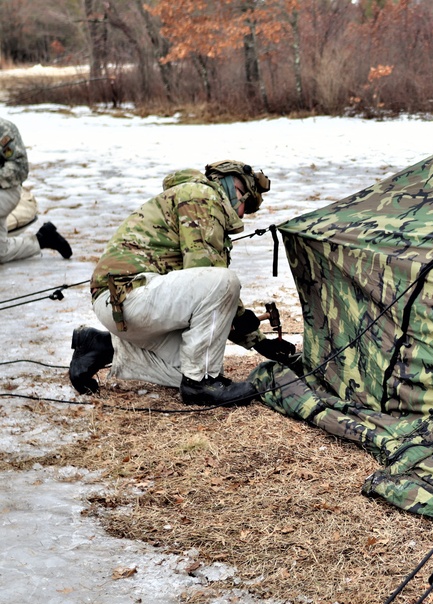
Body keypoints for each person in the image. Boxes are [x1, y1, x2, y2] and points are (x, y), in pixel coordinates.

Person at [69, 160, 299, 407]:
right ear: (233, 184)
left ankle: (101, 346)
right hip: (129, 295)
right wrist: (243, 321)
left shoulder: (197, 199)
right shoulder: (201, 195)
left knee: (185, 368)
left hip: (129, 304)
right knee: (224, 282)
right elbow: (208, 274)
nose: (242, 212)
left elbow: (203, 294)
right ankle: (202, 385)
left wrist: (260, 343)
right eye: (244, 201)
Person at [0, 116, 72, 262]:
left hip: (6, 191)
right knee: (1, 252)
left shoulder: (4, 129)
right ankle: (44, 239)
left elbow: (20, 168)